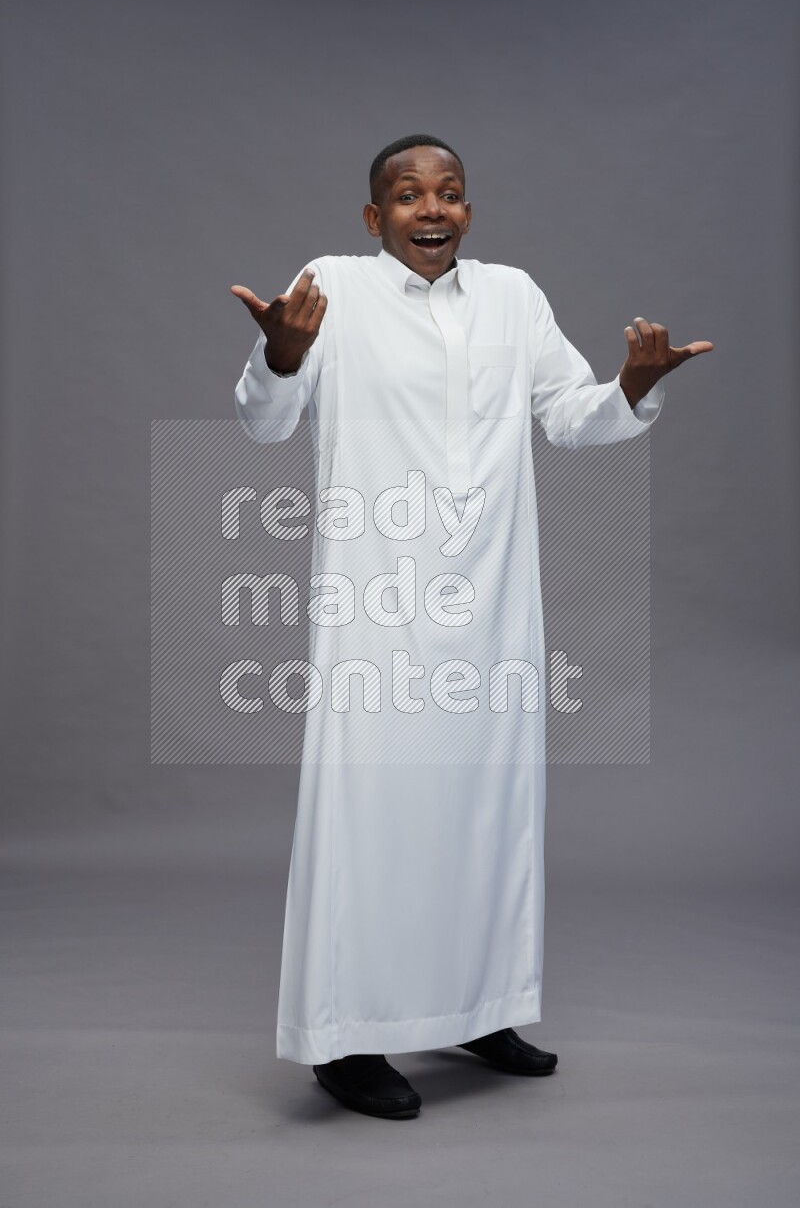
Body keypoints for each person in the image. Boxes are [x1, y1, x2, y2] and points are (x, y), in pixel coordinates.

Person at [231, 134, 712, 1120]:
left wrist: (633, 384)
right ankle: (344, 1036)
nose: (431, 208)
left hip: (492, 607)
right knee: (370, 821)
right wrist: (279, 358)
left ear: (468, 208)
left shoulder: (511, 298)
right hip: (378, 605)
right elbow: (263, 423)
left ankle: (477, 1004)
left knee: (485, 812)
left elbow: (570, 415)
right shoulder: (332, 287)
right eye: (407, 196)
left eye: (448, 192)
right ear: (374, 219)